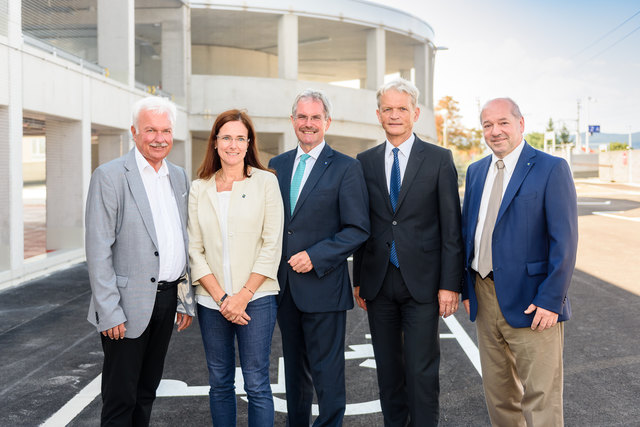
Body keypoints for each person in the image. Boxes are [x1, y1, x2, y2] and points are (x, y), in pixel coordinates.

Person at [353, 78, 464, 427]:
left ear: (415, 114)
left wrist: (451, 284)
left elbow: (451, 229)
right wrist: (359, 280)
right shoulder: (365, 162)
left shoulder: (439, 159)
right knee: (388, 371)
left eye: (402, 109)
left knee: (421, 371)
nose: (395, 115)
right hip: (379, 284)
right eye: (388, 109)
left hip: (424, 285)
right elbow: (362, 226)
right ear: (378, 114)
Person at [461, 98, 578, 426]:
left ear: (521, 124)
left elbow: (564, 242)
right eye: (487, 125)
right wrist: (466, 287)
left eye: (503, 123)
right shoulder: (475, 171)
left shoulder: (550, 168)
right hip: (484, 295)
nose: (495, 131)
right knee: (499, 394)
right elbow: (468, 231)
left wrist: (550, 300)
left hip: (533, 300)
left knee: (541, 396)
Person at [85, 96, 195, 426]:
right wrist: (109, 310)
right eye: (150, 130)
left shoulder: (179, 177)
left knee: (147, 391)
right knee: (121, 398)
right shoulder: (110, 176)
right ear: (134, 132)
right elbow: (98, 249)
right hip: (125, 307)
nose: (159, 138)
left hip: (166, 300)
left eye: (165, 130)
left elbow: (183, 241)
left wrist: (184, 300)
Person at [268, 89, 370, 426]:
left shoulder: (346, 168)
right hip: (284, 290)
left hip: (324, 287)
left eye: (315, 118)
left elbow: (357, 229)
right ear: (292, 120)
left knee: (327, 375)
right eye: (302, 117)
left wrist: (315, 256)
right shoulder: (276, 166)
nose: (308, 124)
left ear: (327, 121)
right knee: (294, 373)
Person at [188, 109, 284, 427]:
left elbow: (272, 245)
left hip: (256, 299)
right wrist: (222, 299)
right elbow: (194, 249)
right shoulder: (199, 188)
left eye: (240, 138)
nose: (233, 144)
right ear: (215, 143)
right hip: (211, 302)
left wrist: (241, 296)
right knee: (220, 384)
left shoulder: (266, 182)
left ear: (248, 143)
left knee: (257, 384)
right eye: (226, 137)